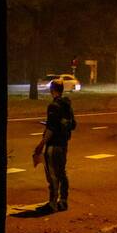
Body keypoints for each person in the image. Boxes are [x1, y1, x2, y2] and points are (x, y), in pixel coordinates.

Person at [33, 79, 77, 212]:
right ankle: (63, 201)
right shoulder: (67, 105)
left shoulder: (53, 106)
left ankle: (52, 203)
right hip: (63, 144)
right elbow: (73, 125)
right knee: (62, 173)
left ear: (52, 90)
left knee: (52, 175)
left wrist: (41, 144)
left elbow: (51, 129)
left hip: (53, 145)